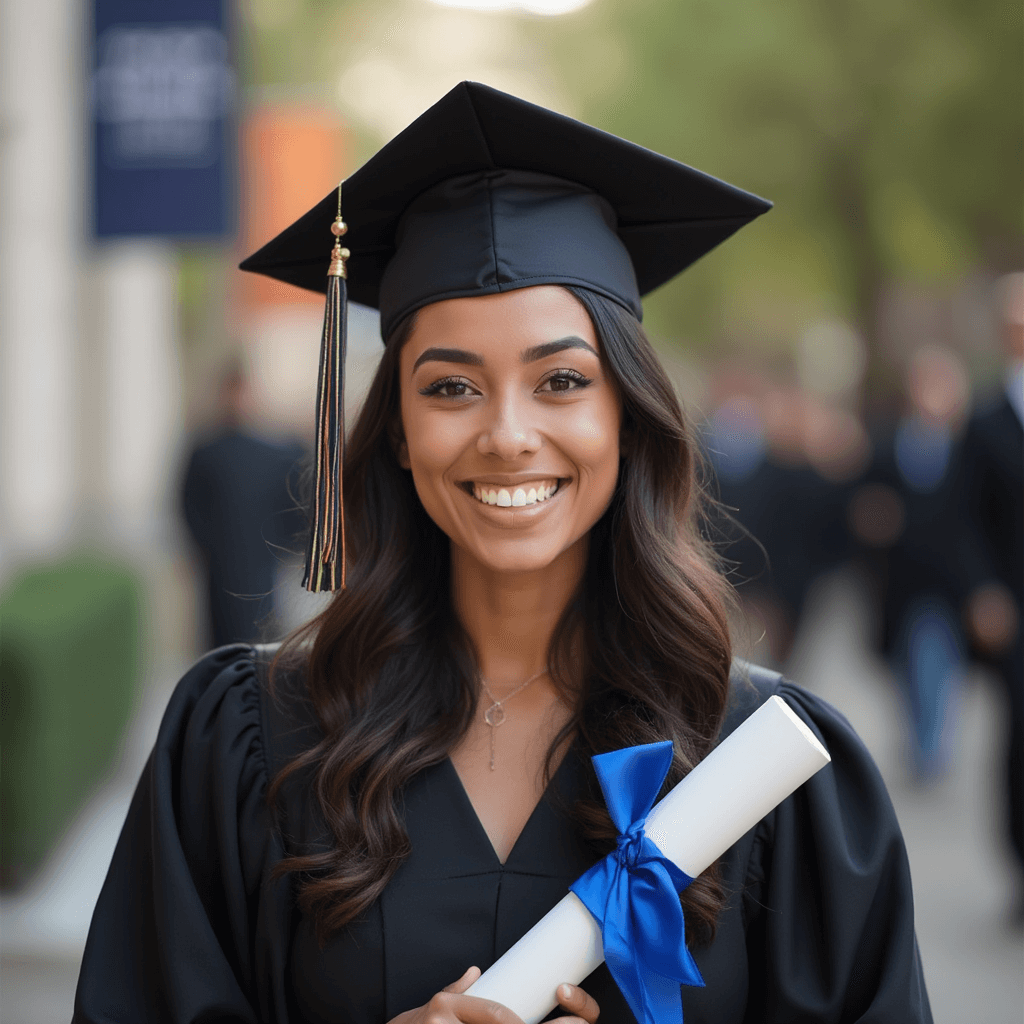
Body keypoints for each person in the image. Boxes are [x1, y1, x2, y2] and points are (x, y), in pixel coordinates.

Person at [73, 83, 932, 1023]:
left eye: (562, 380)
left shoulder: (765, 769)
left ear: (627, 417)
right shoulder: (249, 743)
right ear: (397, 430)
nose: (508, 434)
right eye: (451, 388)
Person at [181, 358, 307, 647]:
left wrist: (284, 547)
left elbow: (296, 502)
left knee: (260, 642)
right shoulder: (206, 452)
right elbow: (189, 507)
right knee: (221, 645)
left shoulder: (273, 454)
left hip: (262, 567)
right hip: (219, 568)